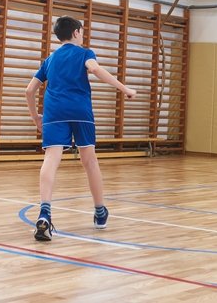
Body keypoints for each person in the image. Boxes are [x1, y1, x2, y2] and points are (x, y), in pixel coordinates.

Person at [26, 16, 136, 242]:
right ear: (76, 32)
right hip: (80, 111)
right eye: (82, 31)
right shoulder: (85, 53)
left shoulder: (50, 59)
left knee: (51, 159)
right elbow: (95, 70)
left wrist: (35, 116)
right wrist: (124, 88)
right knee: (89, 160)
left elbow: (29, 91)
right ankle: (99, 211)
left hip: (54, 112)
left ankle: (45, 212)